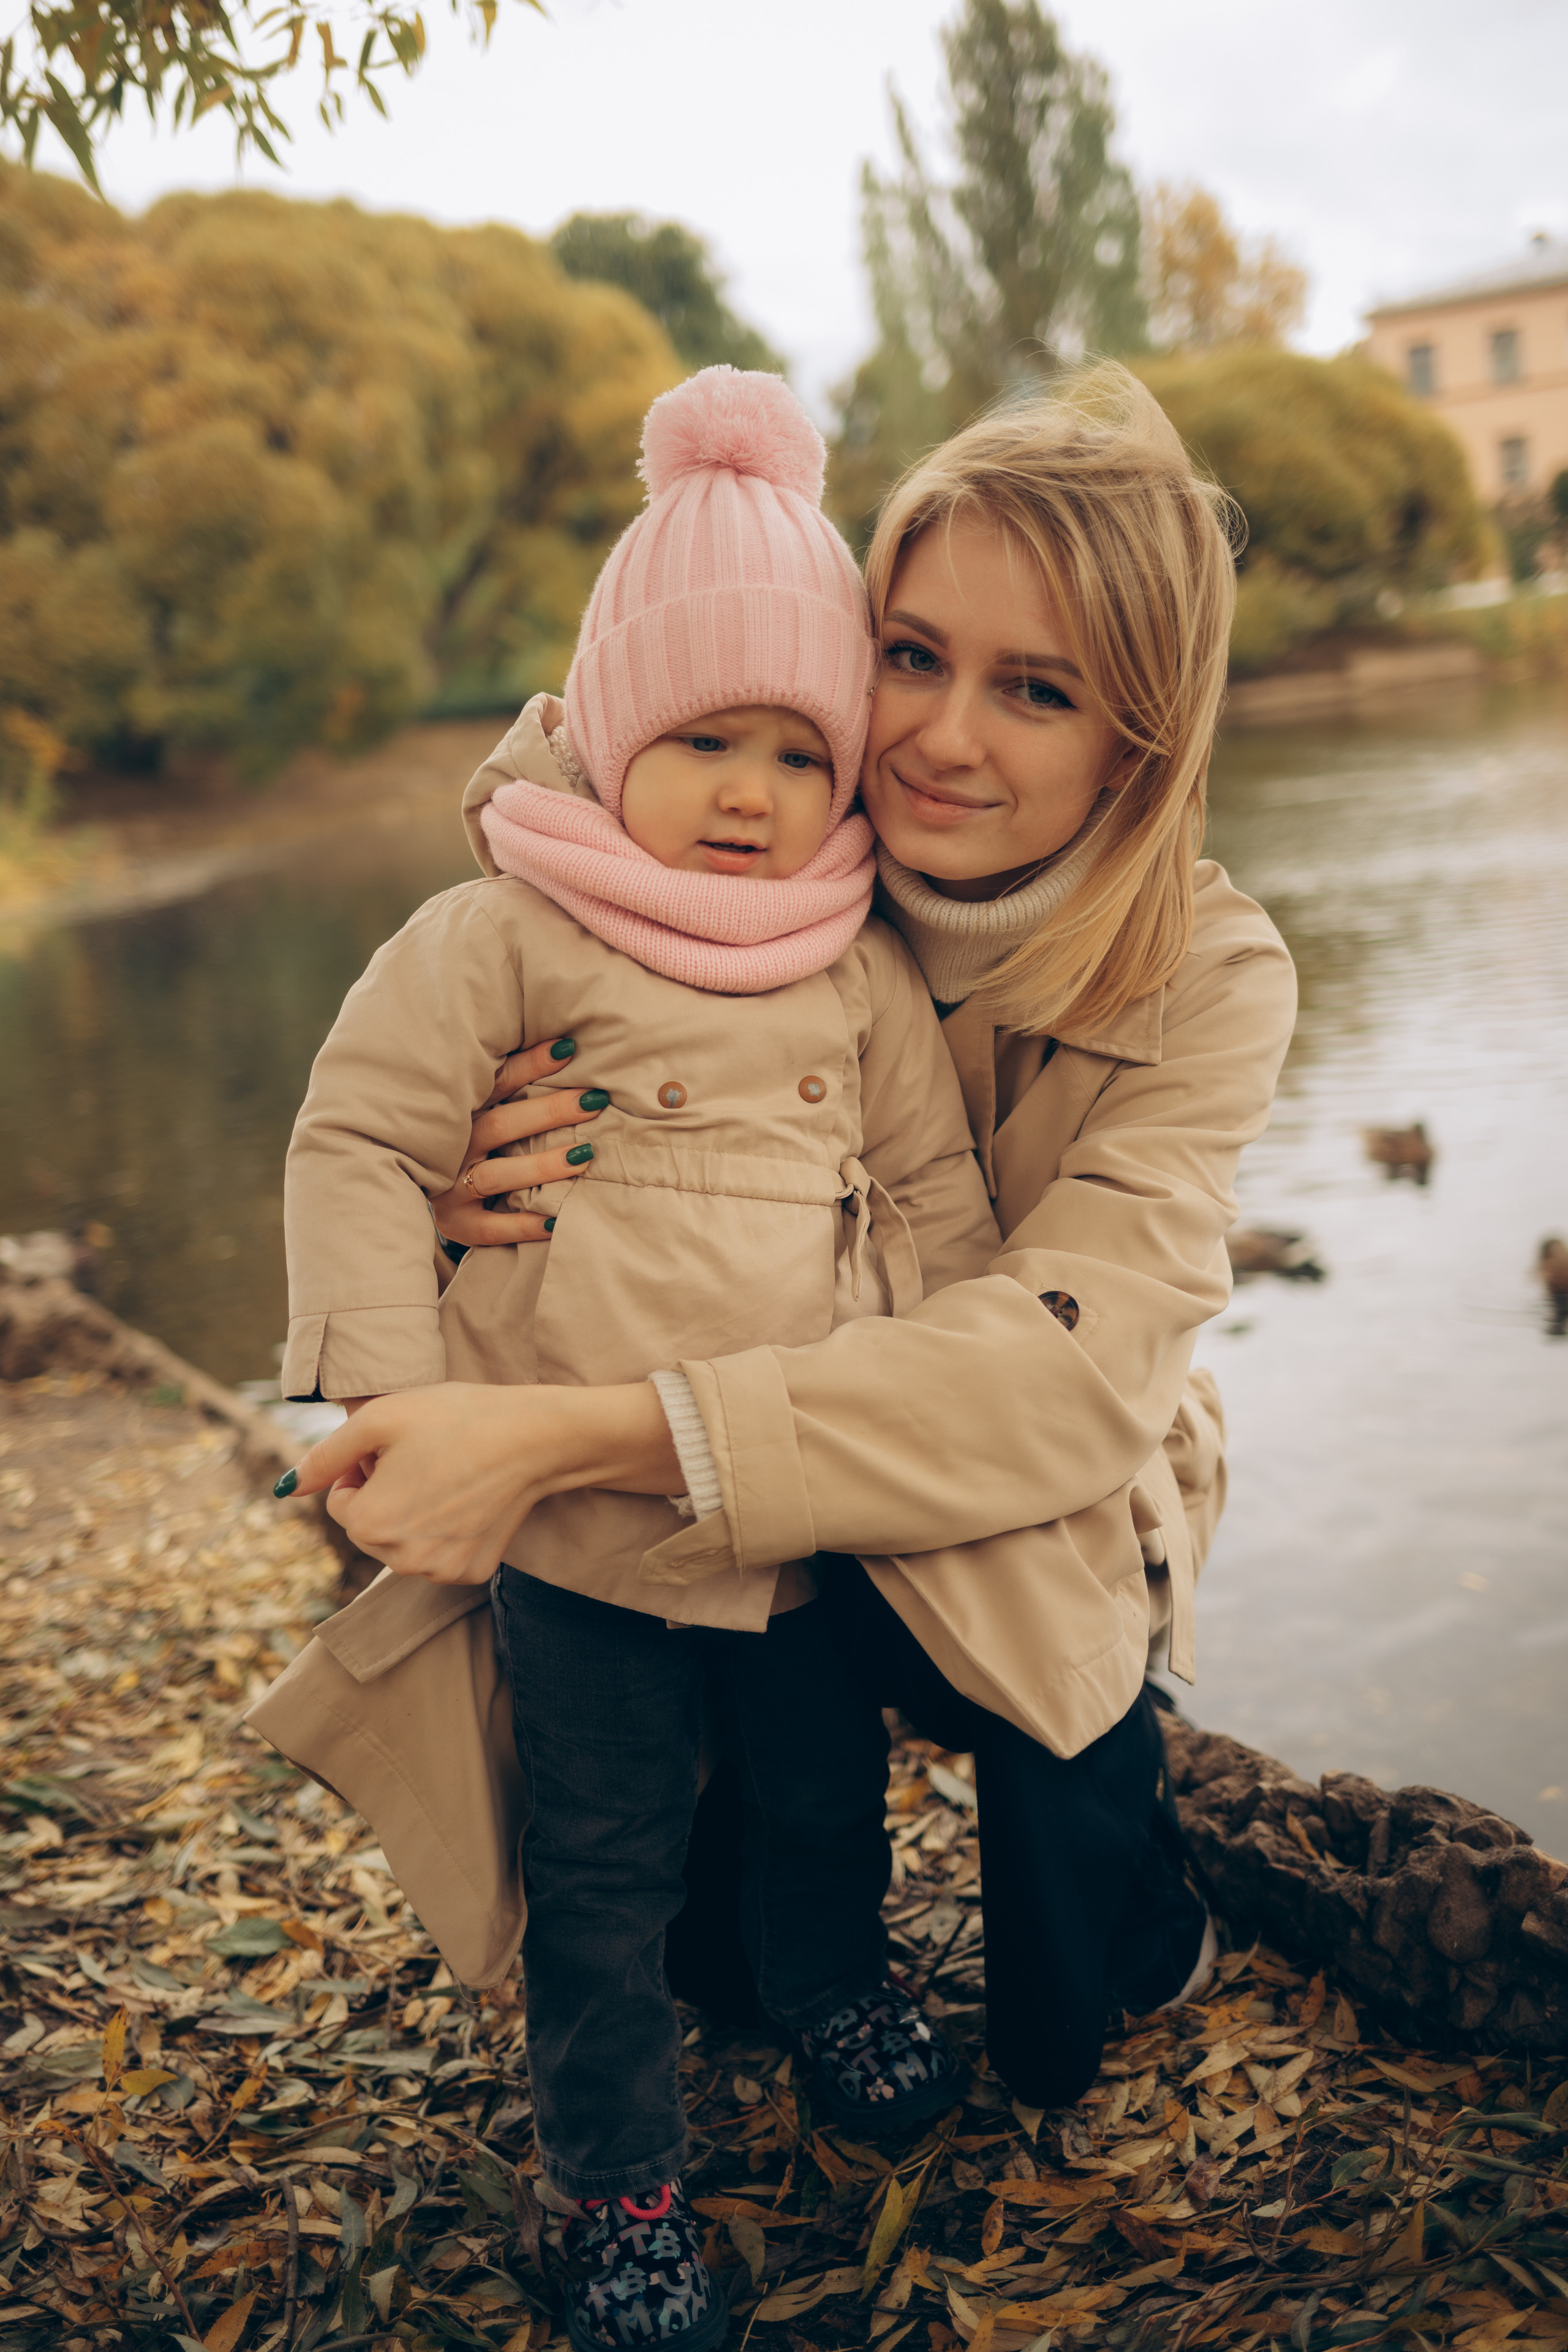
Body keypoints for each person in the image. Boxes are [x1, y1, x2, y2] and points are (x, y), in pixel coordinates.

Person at [260, 360, 1295, 2183]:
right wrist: (446, 1233)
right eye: (909, 655)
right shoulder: (750, 859)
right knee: (674, 1909)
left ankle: (1115, 1887)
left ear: (1137, 737)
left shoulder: (1209, 975)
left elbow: (1048, 1365)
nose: (938, 740)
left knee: (1065, 1946)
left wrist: (569, 1430)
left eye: (1036, 690)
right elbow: (453, 1030)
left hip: (1021, 1458)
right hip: (678, 1491)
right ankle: (683, 2080)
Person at [262, 367, 1003, 2352]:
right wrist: (376, 1395)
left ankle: (831, 1980)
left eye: (793, 749)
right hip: (575, 1520)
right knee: (598, 1864)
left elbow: (926, 1190)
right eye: (701, 740)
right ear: (607, 728)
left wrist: (944, 1391)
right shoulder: (507, 930)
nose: (750, 794)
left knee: (817, 1791)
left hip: (796, 1492)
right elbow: (361, 1138)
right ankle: (621, 2181)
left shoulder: (853, 958)